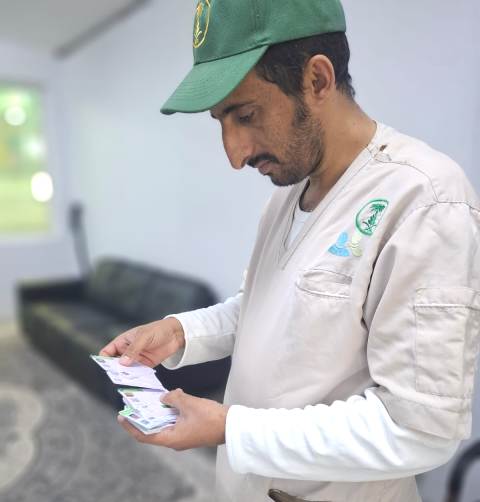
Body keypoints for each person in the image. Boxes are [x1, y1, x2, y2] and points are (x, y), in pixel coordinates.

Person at [100, 1, 480, 501]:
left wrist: (232, 428)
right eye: (220, 122)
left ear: (317, 80)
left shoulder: (425, 200)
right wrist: (180, 331)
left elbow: (419, 430)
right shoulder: (287, 195)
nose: (234, 153)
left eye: (246, 115)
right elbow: (264, 306)